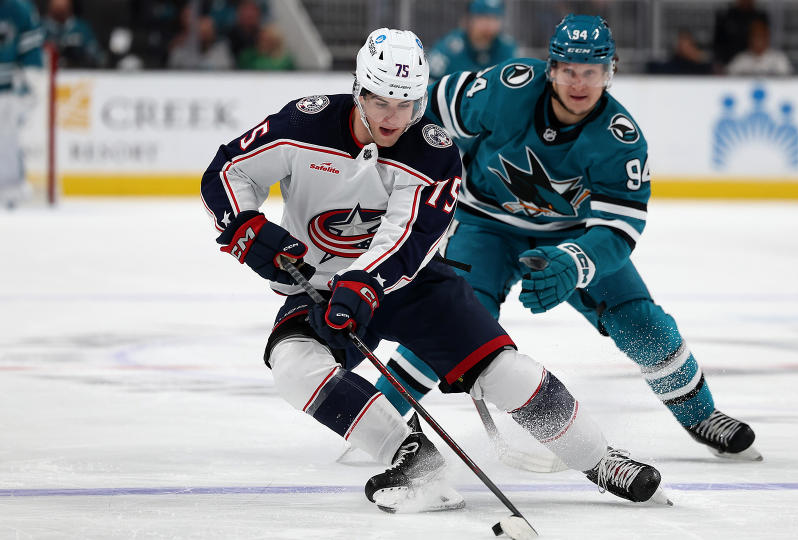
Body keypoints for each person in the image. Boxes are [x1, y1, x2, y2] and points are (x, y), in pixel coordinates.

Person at [201, 27, 669, 512]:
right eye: (381, 100)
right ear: (359, 88)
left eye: (405, 104)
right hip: (319, 286)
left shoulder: (432, 151)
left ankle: (600, 459)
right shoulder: (304, 123)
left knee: (503, 371)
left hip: (415, 286)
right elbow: (227, 170)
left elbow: (407, 238)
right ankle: (412, 457)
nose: (392, 117)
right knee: (293, 365)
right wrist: (247, 226)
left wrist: (361, 283)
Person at [372, 14, 762, 462]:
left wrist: (575, 261)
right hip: (483, 225)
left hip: (569, 236)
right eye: (570, 71)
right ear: (552, 69)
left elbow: (620, 226)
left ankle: (700, 415)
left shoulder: (621, 139)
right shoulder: (507, 88)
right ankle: (378, 416)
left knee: (640, 321)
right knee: (450, 318)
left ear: (609, 73)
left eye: (591, 72)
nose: (580, 83)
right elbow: (429, 110)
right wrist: (418, 183)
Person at [0, 0, 44, 209]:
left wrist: (30, 78)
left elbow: (31, 49)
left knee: (6, 138)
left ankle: (9, 190)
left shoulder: (18, 8)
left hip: (7, 90)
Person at [427, 0, 516, 79]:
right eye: (483, 17)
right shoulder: (448, 49)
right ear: (468, 19)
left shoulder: (507, 48)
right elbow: (428, 85)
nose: (490, 25)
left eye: (495, 18)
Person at [42, 0, 106, 68]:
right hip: (46, 71)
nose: (60, 5)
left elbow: (98, 55)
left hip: (77, 72)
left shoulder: (81, 28)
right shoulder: (40, 27)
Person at [713, 0, 769, 68]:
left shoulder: (760, 16)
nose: (758, 40)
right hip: (731, 61)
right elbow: (718, 43)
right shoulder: (726, 16)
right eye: (756, 36)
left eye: (761, 36)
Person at [726, 18, 792, 76]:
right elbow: (726, 78)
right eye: (755, 35)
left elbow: (789, 81)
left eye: (761, 34)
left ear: (767, 36)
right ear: (749, 38)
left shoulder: (779, 58)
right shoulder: (741, 59)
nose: (758, 39)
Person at [646, 29, 712, 75]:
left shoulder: (702, 68)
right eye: (680, 43)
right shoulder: (667, 67)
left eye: (688, 44)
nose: (684, 47)